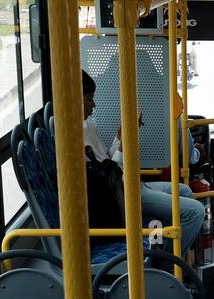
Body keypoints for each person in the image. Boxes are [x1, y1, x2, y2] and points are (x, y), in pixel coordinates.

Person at [82, 71, 206, 253]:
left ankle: (165, 252)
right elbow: (107, 180)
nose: (94, 104)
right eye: (89, 99)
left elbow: (106, 160)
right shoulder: (73, 138)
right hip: (119, 194)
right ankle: (167, 266)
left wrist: (120, 138)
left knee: (184, 190)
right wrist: (123, 146)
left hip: (128, 183)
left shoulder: (88, 126)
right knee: (195, 212)